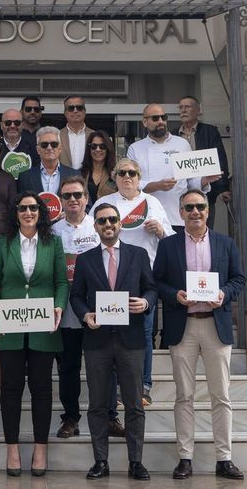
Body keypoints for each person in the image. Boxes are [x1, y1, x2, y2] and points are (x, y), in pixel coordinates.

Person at [153, 190, 247, 481]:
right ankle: (185, 457)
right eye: (189, 207)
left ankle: (224, 458)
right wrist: (174, 295)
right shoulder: (168, 246)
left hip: (215, 325)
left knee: (221, 395)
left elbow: (239, 278)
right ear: (180, 212)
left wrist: (224, 293)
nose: (195, 212)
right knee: (184, 395)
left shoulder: (225, 243)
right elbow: (156, 281)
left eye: (200, 207)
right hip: (184, 325)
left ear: (208, 211)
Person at [70, 202, 155, 481]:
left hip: (130, 339)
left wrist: (145, 302)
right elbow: (76, 296)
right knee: (96, 404)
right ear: (95, 226)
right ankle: (101, 461)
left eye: (112, 220)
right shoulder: (85, 260)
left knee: (134, 403)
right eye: (102, 221)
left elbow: (151, 289)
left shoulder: (139, 255)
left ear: (120, 224)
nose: (108, 225)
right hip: (97, 339)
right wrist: (85, 316)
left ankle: (136, 462)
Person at [0, 192, 68, 477]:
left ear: (40, 212)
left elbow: (61, 282)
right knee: (10, 388)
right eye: (23, 208)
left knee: (42, 389)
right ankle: (12, 449)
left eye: (33, 208)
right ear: (16, 213)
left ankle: (40, 449)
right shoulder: (2, 242)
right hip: (9, 326)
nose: (28, 212)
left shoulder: (53, 242)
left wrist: (59, 307)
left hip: (44, 326)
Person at [92, 159, 172, 413]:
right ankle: (114, 389)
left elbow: (170, 242)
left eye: (132, 173)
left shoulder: (153, 203)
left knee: (145, 333)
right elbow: (90, 234)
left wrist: (160, 229)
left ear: (139, 177)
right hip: (108, 277)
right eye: (122, 173)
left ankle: (143, 385)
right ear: (114, 177)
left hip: (142, 276)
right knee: (111, 334)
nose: (127, 177)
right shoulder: (105, 204)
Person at [52, 175, 99, 440]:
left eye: (77, 195)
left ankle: (108, 417)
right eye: (67, 196)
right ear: (61, 200)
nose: (73, 200)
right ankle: (70, 418)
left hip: (96, 310)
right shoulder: (53, 231)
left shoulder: (98, 225)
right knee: (68, 368)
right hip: (65, 311)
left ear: (86, 198)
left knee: (101, 366)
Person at [126, 104, 200, 224]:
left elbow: (192, 181)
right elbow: (131, 183)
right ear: (145, 122)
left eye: (163, 117)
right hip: (147, 217)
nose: (161, 121)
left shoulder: (182, 144)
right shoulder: (135, 149)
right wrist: (157, 186)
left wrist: (206, 180)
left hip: (177, 216)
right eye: (155, 118)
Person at [176, 96, 230, 212]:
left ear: (198, 110)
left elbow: (220, 159)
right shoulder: (173, 135)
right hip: (180, 192)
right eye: (181, 107)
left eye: (187, 107)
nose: (183, 110)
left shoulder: (209, 131)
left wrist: (222, 188)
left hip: (205, 191)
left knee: (205, 226)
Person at [16, 126, 78, 202]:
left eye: (54, 144)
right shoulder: (24, 177)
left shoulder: (74, 174)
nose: (49, 148)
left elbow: (86, 204)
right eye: (44, 145)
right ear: (38, 150)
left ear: (60, 148)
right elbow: (19, 205)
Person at [0, 107, 40, 175]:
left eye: (17, 123)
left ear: (22, 125)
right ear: (1, 125)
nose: (12, 126)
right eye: (8, 123)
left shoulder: (34, 148)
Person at [79, 129, 118, 203]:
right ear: (89, 149)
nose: (97, 149)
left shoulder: (116, 174)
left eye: (102, 146)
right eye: (93, 146)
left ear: (108, 149)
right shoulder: (80, 174)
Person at [58, 94, 96, 170]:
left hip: (89, 181)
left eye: (79, 108)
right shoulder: (56, 136)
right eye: (71, 108)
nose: (75, 111)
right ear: (65, 113)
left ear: (84, 112)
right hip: (63, 180)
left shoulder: (95, 135)